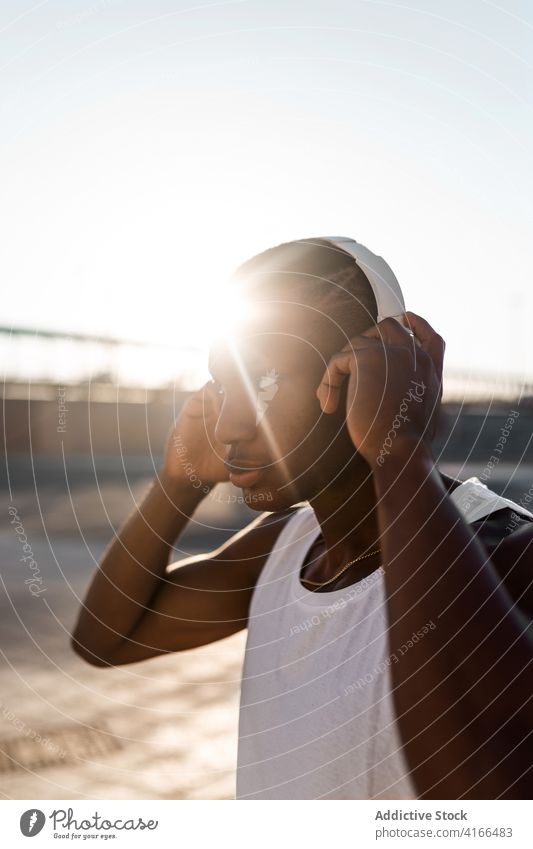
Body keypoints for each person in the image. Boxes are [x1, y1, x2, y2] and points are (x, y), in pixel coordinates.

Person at [71, 237, 533, 799]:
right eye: (224, 383)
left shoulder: (508, 553)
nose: (230, 425)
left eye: (266, 380)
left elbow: (481, 796)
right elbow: (105, 640)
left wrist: (399, 451)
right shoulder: (283, 548)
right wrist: (178, 482)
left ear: (372, 374)